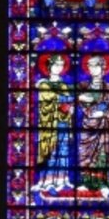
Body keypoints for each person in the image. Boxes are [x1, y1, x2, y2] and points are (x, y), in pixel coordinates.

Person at [33, 54, 75, 194]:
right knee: (50, 152)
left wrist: (68, 105)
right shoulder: (44, 84)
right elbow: (48, 100)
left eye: (61, 65)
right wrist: (64, 99)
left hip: (62, 123)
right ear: (49, 67)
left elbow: (67, 102)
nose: (59, 68)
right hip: (49, 125)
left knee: (63, 152)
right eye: (56, 64)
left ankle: (62, 179)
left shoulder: (63, 85)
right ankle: (47, 180)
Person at [77, 55, 109, 196]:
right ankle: (85, 182)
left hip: (102, 126)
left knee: (101, 155)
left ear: (102, 67)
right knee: (84, 154)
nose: (92, 69)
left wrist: (104, 114)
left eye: (95, 66)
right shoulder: (82, 86)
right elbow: (76, 104)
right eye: (90, 66)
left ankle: (101, 184)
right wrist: (80, 99)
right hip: (86, 125)